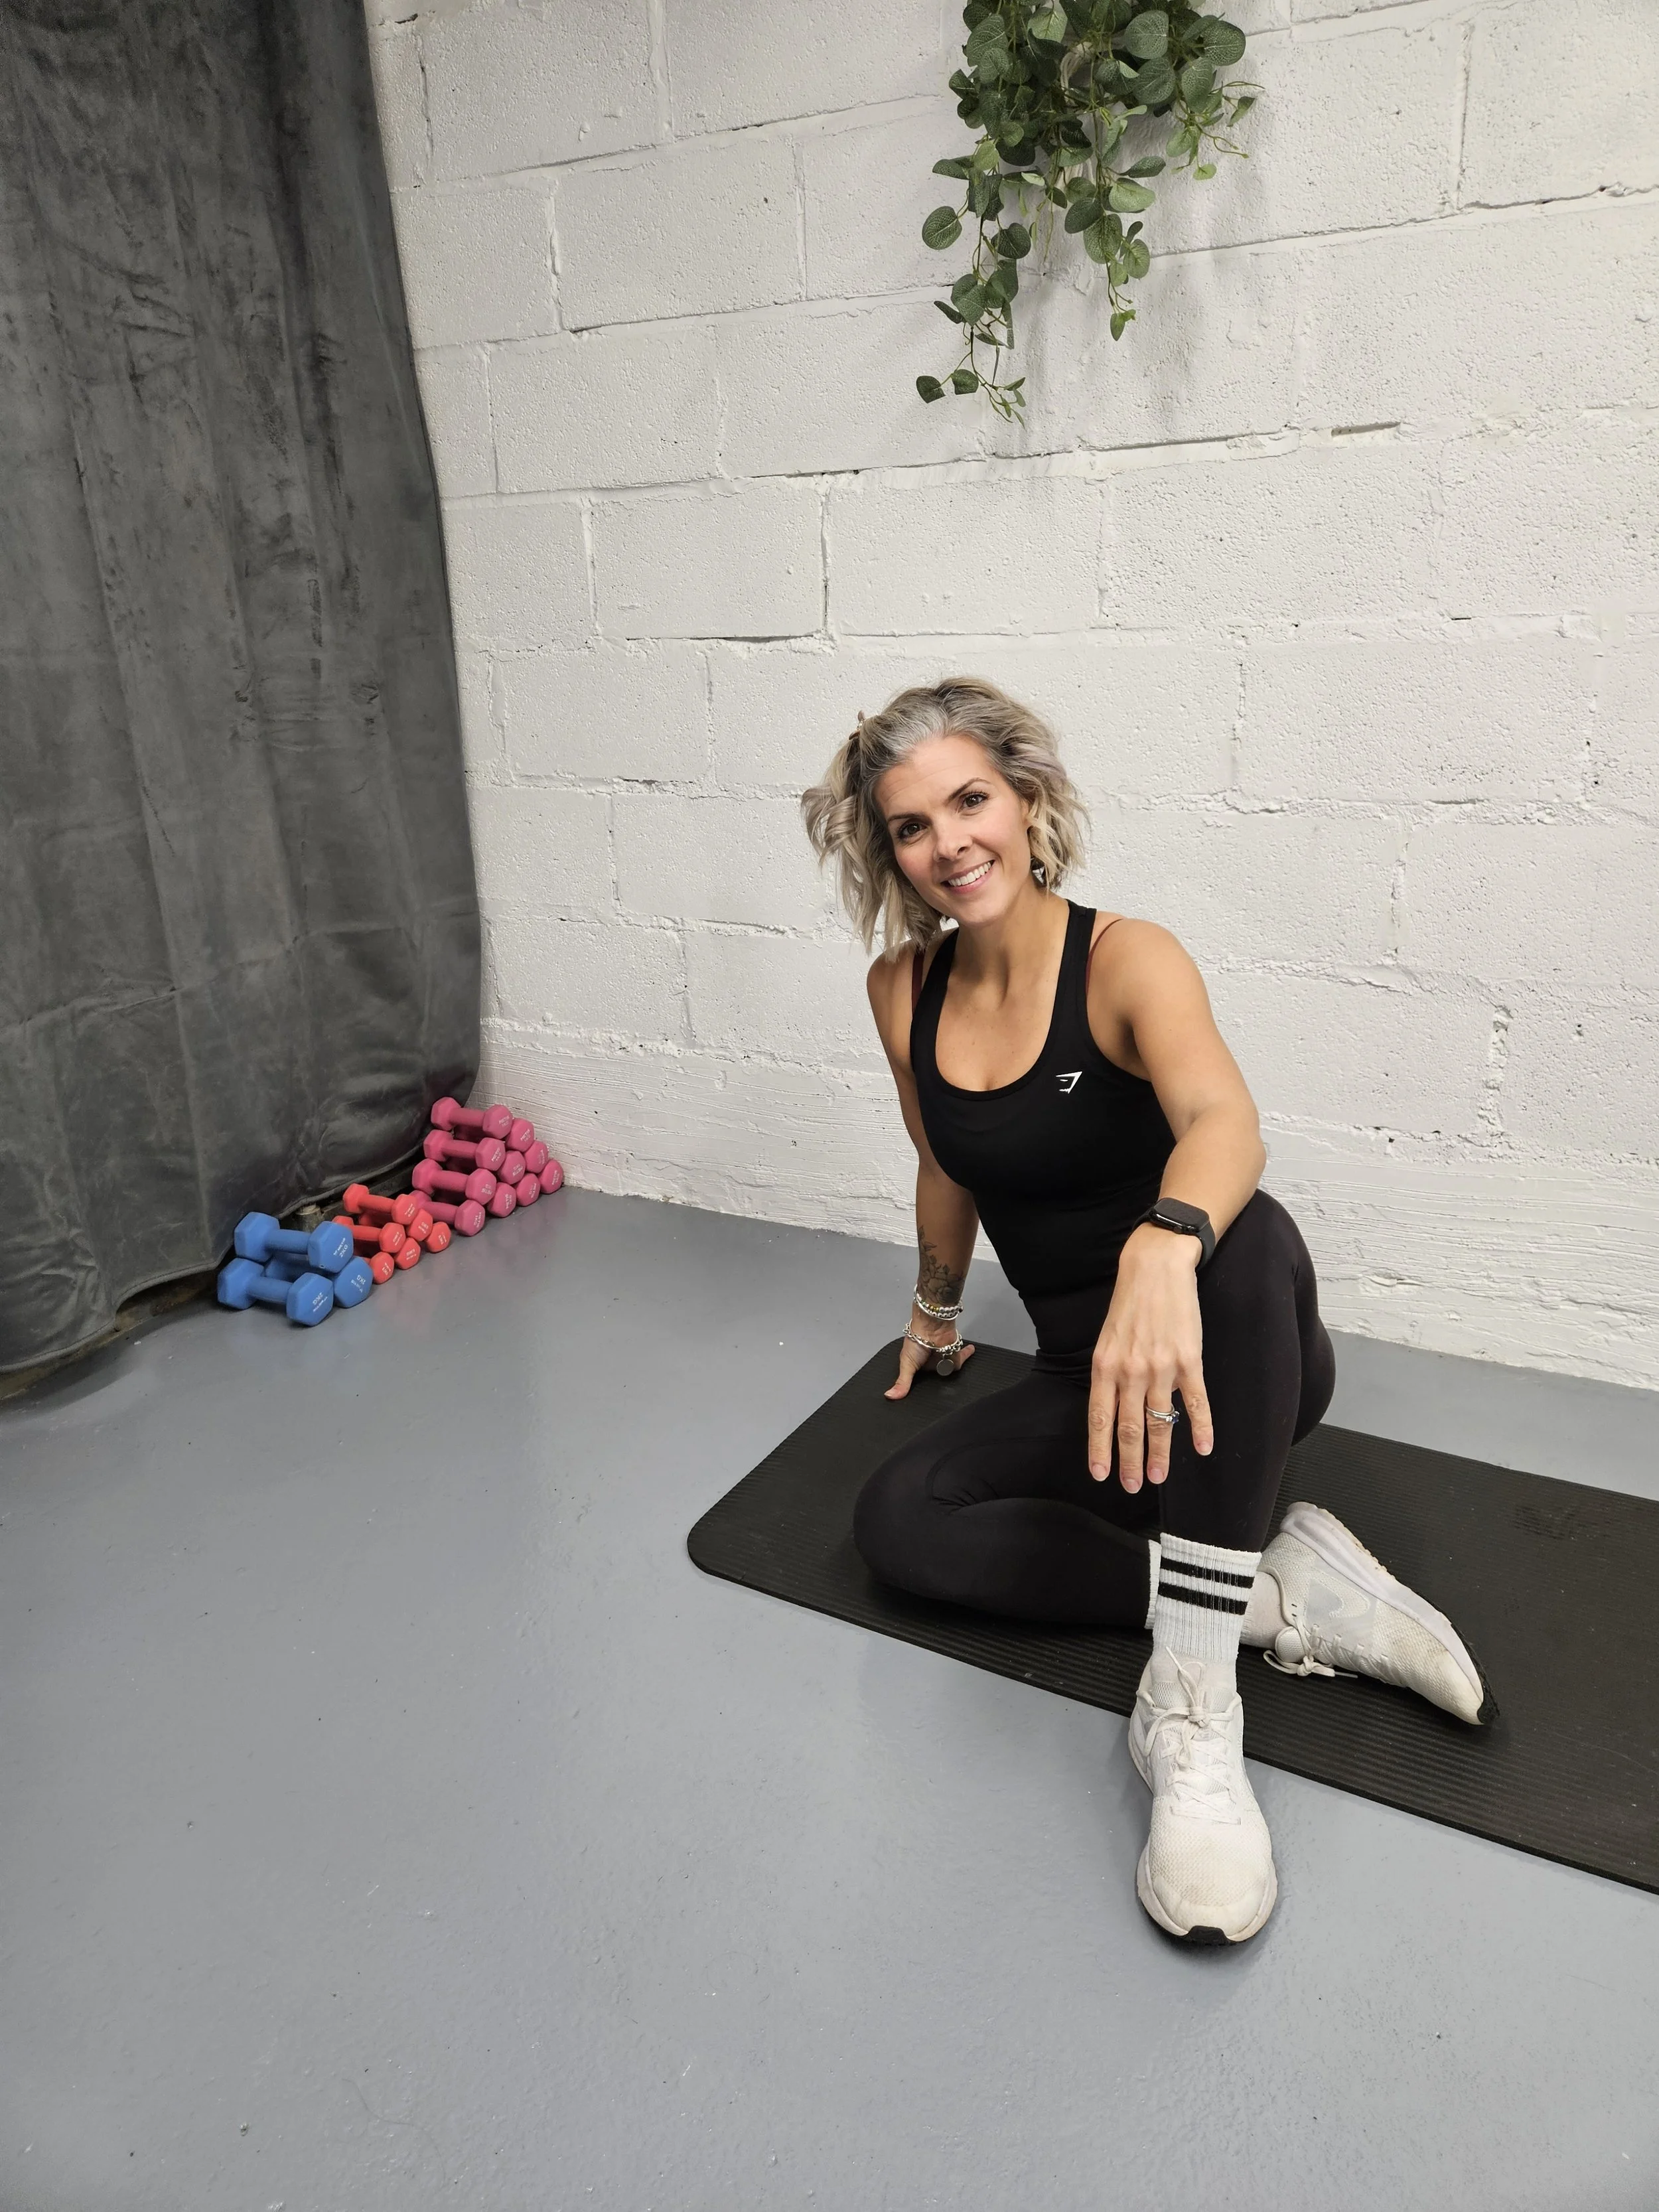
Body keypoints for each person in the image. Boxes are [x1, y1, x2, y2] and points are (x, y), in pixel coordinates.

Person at [801, 678, 1492, 1947]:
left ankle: (1188, 1704)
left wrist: (1163, 1252)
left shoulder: (1127, 958)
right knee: (898, 1522)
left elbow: (1227, 1124)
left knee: (1248, 1235)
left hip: (1226, 1350)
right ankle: (1290, 1597)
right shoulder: (901, 991)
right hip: (1098, 1389)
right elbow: (946, 1162)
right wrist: (935, 1307)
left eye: (971, 800)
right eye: (913, 825)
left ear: (1024, 799)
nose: (951, 842)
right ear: (888, 853)